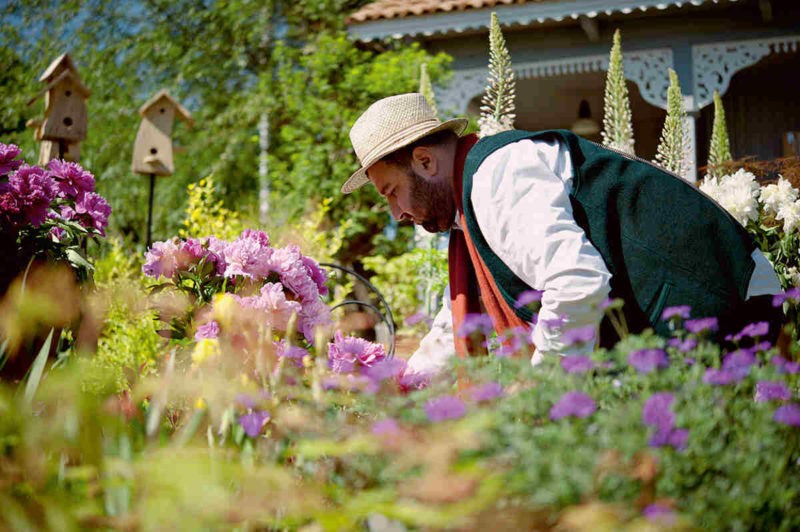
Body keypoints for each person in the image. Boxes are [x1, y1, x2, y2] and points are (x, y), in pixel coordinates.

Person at [342, 93, 783, 375]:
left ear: (424, 161)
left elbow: (576, 285)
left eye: (391, 192)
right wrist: (401, 386)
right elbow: (452, 322)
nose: (396, 213)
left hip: (728, 301)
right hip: (692, 318)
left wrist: (543, 395)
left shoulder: (499, 177)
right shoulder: (474, 197)